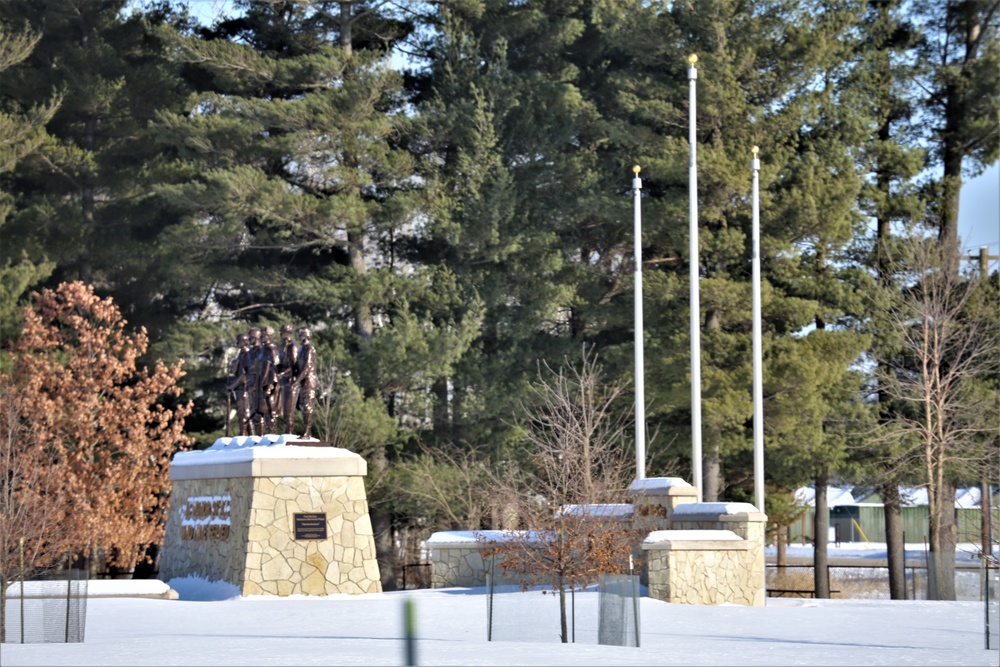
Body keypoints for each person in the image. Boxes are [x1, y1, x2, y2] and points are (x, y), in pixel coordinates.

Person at [294, 326, 318, 439]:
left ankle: (307, 432)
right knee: (302, 406)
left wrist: (297, 380)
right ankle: (305, 431)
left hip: (309, 381)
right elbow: (298, 366)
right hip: (303, 381)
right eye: (299, 334)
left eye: (301, 334)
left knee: (308, 406)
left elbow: (307, 367)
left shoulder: (309, 349)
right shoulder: (301, 350)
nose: (299, 337)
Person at [226, 333, 252, 436]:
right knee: (243, 413)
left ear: (245, 342)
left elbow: (244, 375)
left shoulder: (247, 355)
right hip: (239, 388)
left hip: (244, 387)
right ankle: (248, 435)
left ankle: (244, 435)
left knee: (244, 413)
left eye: (239, 341)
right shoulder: (240, 355)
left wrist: (232, 386)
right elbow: (235, 371)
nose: (237, 343)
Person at [257, 326, 281, 435]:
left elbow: (276, 368)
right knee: (265, 410)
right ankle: (268, 433)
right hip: (263, 383)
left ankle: (272, 433)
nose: (261, 337)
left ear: (270, 336)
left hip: (270, 384)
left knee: (271, 411)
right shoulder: (263, 350)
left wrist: (271, 385)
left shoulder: (272, 350)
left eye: (263, 335)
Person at [276, 324, 299, 434]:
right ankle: (287, 432)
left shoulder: (292, 346)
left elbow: (294, 366)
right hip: (284, 381)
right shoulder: (283, 346)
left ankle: (289, 433)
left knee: (289, 411)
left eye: (282, 332)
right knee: (285, 411)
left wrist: (283, 373)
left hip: (291, 381)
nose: (280, 334)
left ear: (287, 333)